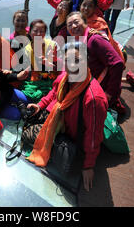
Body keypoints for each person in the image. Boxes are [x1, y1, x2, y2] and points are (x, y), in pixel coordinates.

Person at [26, 42, 108, 191]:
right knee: (28, 127)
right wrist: (40, 105)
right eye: (68, 61)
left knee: (28, 135)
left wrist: (88, 165)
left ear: (87, 60)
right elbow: (53, 93)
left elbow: (94, 135)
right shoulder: (65, 78)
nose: (72, 65)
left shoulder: (94, 99)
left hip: (72, 138)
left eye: (77, 60)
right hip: (60, 124)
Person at [65, 11, 125, 114]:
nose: (73, 26)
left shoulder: (94, 40)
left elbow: (117, 63)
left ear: (85, 23)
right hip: (89, 87)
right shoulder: (79, 41)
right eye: (69, 25)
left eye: (76, 22)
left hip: (99, 92)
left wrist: (109, 93)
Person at [22, 19, 60, 103]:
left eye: (41, 31)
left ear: (45, 33)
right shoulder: (26, 49)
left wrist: (49, 64)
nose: (38, 34)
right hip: (34, 82)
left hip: (52, 82)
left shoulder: (53, 45)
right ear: (30, 32)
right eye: (35, 31)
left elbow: (61, 67)